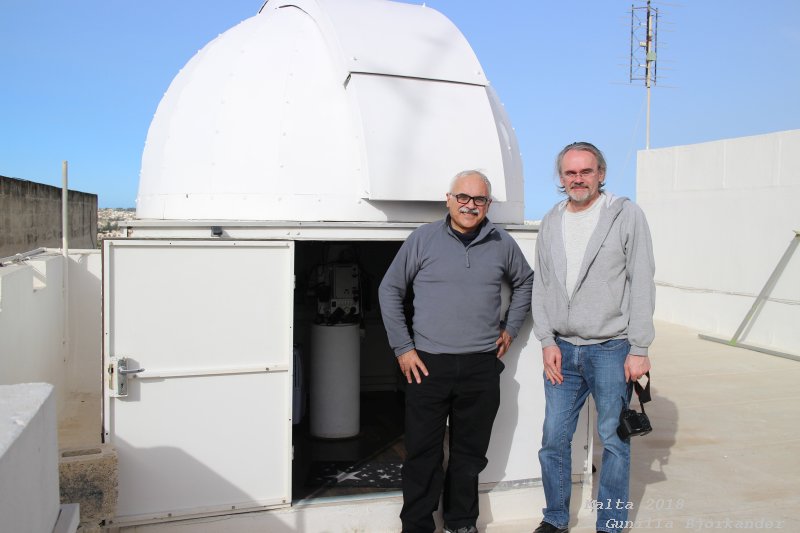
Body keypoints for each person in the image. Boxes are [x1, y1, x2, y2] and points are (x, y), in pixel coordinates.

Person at [379, 170, 534, 533]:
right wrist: (403, 348)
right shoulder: (423, 239)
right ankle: (417, 526)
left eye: (478, 199)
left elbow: (525, 281)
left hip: (481, 366)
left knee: (469, 456)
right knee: (422, 454)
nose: (470, 205)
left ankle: (461, 522)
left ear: (488, 204)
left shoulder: (501, 242)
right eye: (462, 197)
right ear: (448, 199)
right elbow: (389, 290)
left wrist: (511, 328)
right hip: (427, 366)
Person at [531, 142, 655, 533]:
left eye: (586, 171)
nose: (578, 179)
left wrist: (640, 347)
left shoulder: (625, 215)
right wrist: (546, 340)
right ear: (561, 178)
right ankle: (554, 517)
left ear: (601, 173)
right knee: (553, 439)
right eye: (570, 173)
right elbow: (542, 284)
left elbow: (641, 282)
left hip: (611, 348)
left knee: (614, 441)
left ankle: (612, 523)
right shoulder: (551, 220)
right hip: (562, 351)